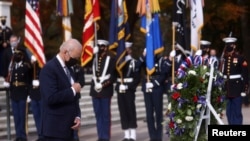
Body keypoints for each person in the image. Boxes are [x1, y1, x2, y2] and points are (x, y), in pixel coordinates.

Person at [39, 39, 82, 140]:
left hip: (69, 129)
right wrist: (72, 90)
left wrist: (77, 116)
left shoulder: (69, 69)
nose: (76, 60)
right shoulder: (49, 69)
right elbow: (51, 97)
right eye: (75, 57)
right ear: (66, 53)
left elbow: (74, 98)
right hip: (55, 130)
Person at [141, 50, 172, 141]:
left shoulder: (161, 60)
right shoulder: (145, 59)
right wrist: (143, 56)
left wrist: (155, 83)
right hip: (147, 86)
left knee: (158, 113)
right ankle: (152, 136)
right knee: (149, 114)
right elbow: (137, 67)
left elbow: (164, 73)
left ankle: (158, 136)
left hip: (157, 88)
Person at [114, 42, 142, 141]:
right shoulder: (118, 63)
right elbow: (114, 76)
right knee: (123, 111)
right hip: (120, 89)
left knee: (130, 110)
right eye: (123, 49)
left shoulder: (133, 62)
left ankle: (133, 135)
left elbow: (137, 78)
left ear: (130, 50)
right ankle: (126, 134)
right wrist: (119, 85)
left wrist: (128, 86)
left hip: (129, 90)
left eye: (127, 49)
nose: (125, 51)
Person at [90, 39, 116, 141]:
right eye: (98, 46)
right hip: (95, 90)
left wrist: (104, 84)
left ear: (105, 48)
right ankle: (100, 135)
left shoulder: (111, 59)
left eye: (101, 46)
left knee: (105, 115)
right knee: (98, 114)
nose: (100, 48)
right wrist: (92, 54)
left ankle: (105, 136)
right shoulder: (95, 59)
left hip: (105, 90)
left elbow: (112, 76)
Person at [221, 37, 249, 125]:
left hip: (237, 88)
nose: (229, 46)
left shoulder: (240, 58)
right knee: (229, 112)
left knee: (237, 112)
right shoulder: (223, 59)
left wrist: (245, 88)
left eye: (231, 45)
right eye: (227, 45)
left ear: (234, 46)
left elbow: (245, 74)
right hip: (227, 87)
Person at [7, 48, 32, 141]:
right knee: (16, 116)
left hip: (22, 93)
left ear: (22, 56)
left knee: (22, 116)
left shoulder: (26, 67)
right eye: (15, 55)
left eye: (18, 55)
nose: (16, 56)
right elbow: (12, 80)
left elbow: (29, 81)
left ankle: (23, 135)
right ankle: (18, 135)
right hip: (14, 94)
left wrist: (29, 94)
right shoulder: (12, 67)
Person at [29, 55, 44, 141]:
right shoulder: (30, 69)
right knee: (36, 116)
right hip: (33, 95)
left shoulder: (42, 67)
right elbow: (27, 79)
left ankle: (44, 134)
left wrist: (40, 82)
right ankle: (40, 134)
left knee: (42, 116)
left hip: (41, 94)